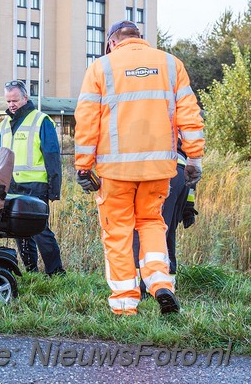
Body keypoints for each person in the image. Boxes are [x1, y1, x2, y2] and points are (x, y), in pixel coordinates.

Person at [74, 20, 204, 315]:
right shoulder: (171, 64)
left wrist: (83, 166)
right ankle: (161, 285)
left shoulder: (101, 68)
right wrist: (194, 158)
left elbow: (86, 122)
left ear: (111, 43)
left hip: (115, 172)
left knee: (118, 231)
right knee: (152, 224)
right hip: (159, 169)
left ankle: (125, 304)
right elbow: (190, 114)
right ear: (140, 38)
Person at [0, 80, 66, 276]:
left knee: (41, 231)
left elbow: (52, 156)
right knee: (19, 230)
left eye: (15, 100)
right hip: (11, 186)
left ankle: (56, 272)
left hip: (36, 186)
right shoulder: (3, 125)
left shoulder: (41, 121)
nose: (11, 105)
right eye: (8, 101)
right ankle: (31, 271)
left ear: (25, 98)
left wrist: (54, 188)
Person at [132, 141, 198, 298]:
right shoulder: (185, 120)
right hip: (182, 173)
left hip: (161, 169)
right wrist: (188, 206)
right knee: (166, 231)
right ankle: (168, 280)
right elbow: (193, 173)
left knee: (149, 229)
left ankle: (145, 287)